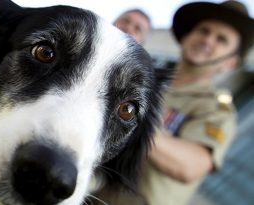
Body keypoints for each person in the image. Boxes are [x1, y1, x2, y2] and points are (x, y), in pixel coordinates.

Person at [96, 1, 254, 205]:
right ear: (186, 37)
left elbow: (190, 167)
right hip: (97, 195)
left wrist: (135, 116)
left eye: (221, 39)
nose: (207, 40)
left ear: (230, 63)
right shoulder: (144, 81)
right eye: (203, 31)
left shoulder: (217, 110)